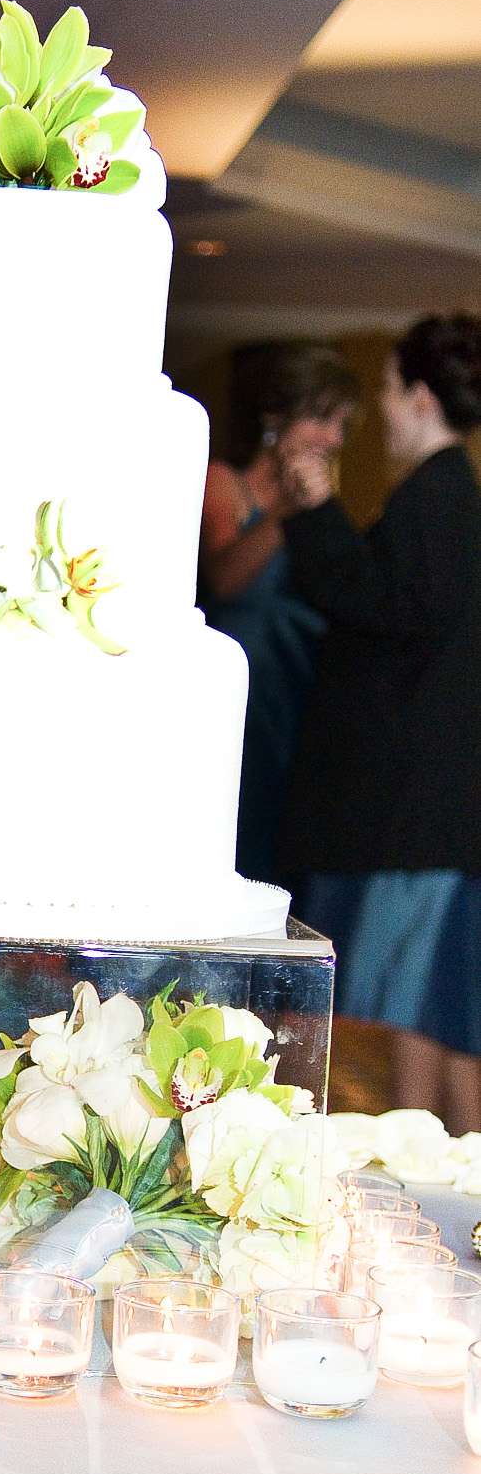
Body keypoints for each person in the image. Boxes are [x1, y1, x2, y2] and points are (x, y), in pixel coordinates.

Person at [279, 313, 481, 1129]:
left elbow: (374, 606)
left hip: (411, 820)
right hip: (431, 818)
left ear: (421, 397)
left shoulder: (437, 502)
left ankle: (435, 1210)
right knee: (437, 1020)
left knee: (413, 1018)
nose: (383, 413)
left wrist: (317, 507)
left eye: (392, 390)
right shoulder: (447, 498)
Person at [198, 343, 360, 886]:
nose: (334, 439)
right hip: (244, 695)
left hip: (302, 695)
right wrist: (288, 511)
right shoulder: (223, 481)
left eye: (341, 424)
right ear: (275, 417)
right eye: (321, 418)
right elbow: (224, 581)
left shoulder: (323, 503)